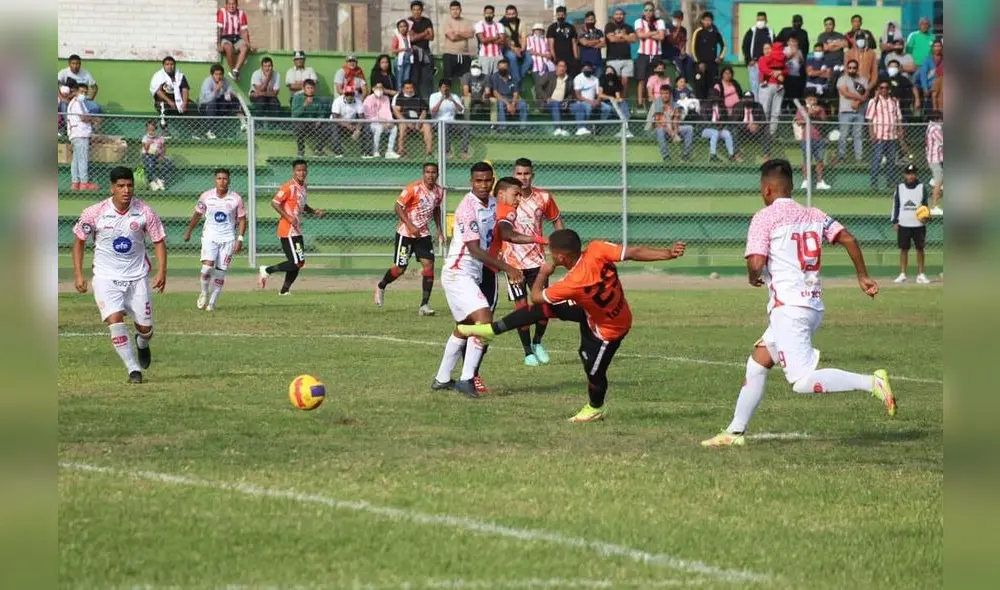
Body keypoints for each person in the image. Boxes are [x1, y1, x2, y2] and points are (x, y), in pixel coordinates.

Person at [701, 159, 896, 448]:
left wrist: (754, 275)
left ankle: (872, 382)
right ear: (790, 188)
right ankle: (734, 431)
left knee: (802, 381)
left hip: (789, 310)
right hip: (811, 305)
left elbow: (756, 261)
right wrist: (863, 276)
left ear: (766, 189)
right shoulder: (814, 214)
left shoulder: (764, 218)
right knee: (757, 362)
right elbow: (849, 239)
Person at [460, 229, 687, 422]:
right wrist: (667, 253)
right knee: (544, 311)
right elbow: (634, 252)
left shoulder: (572, 283)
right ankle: (492, 330)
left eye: (552, 253)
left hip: (608, 329)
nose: (550, 256)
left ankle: (596, 408)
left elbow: (537, 296)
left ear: (561, 257)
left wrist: (544, 272)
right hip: (591, 311)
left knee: (594, 372)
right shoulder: (598, 248)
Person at [432, 165, 539, 397]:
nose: (483, 185)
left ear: (492, 181)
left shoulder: (492, 204)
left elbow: (503, 234)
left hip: (472, 274)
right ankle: (467, 379)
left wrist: (539, 240)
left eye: (487, 181)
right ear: (471, 181)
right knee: (484, 319)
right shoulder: (466, 208)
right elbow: (473, 248)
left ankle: (441, 379)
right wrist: (508, 267)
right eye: (478, 181)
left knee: (464, 327)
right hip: (458, 272)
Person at [72, 167, 167, 384]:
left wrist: (162, 271)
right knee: (115, 320)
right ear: (112, 187)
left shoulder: (145, 211)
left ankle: (142, 343)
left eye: (130, 185)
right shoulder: (94, 213)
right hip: (106, 276)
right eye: (121, 186)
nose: (126, 190)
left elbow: (159, 241)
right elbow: (79, 241)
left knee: (145, 329)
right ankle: (133, 369)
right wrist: (79, 274)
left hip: (137, 277)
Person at [496, 158, 565, 366]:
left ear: (532, 175)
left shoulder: (543, 197)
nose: (523, 178)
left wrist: (562, 246)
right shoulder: (507, 199)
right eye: (519, 174)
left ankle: (538, 342)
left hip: (537, 260)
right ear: (514, 175)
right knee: (521, 307)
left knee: (544, 305)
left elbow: (556, 220)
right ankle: (527, 352)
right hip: (513, 261)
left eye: (526, 174)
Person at [375, 163, 445, 315]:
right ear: (423, 174)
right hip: (406, 233)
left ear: (437, 174)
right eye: (427, 172)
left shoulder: (439, 191)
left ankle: (424, 305)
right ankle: (381, 285)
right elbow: (397, 207)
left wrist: (439, 229)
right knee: (400, 268)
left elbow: (436, 209)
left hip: (423, 234)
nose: (430, 175)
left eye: (433, 172)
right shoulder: (413, 188)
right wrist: (411, 226)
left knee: (429, 265)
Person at [181, 169, 246, 311]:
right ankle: (204, 292)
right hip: (210, 236)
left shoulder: (236, 198)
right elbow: (197, 214)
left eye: (225, 179)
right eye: (219, 178)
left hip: (228, 239)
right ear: (215, 180)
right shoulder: (206, 196)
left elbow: (242, 219)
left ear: (229, 181)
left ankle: (212, 302)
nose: (222, 181)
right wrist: (189, 231)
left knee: (221, 272)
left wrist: (239, 239)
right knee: (207, 267)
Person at [258, 160, 325, 295]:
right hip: (287, 230)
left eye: (304, 170)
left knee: (298, 262)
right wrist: (288, 217)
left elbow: (301, 204)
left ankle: (284, 291)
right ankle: (266, 270)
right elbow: (275, 203)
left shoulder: (304, 186)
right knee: (296, 262)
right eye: (299, 170)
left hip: (296, 230)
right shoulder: (289, 187)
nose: (302, 173)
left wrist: (313, 211)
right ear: (293, 171)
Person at [891, 163, 931, 285]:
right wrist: (895, 221)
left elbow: (925, 205)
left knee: (920, 249)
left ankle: (921, 274)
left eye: (913, 173)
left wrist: (926, 217)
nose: (911, 176)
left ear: (916, 174)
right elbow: (896, 204)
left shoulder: (921, 187)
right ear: (904, 175)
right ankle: (903, 274)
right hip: (904, 223)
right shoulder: (900, 187)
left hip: (918, 225)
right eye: (908, 173)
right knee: (904, 249)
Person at [865, 79, 903, 189]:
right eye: (881, 88)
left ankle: (890, 182)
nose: (883, 90)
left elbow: (898, 117)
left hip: (892, 136)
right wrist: (871, 133)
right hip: (879, 136)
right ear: (878, 90)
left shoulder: (895, 101)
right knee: (876, 160)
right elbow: (869, 119)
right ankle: (873, 184)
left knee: (891, 161)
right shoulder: (874, 101)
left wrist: (900, 130)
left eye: (886, 88)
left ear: (889, 90)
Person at [836, 60, 869, 165]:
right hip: (845, 111)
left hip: (859, 112)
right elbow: (845, 93)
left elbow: (866, 95)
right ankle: (842, 157)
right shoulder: (842, 79)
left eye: (854, 68)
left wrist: (858, 102)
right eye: (850, 67)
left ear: (857, 68)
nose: (852, 69)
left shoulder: (863, 80)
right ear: (847, 68)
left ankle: (859, 159)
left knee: (858, 136)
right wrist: (860, 97)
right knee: (843, 135)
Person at [634, 2, 666, 112]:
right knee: (641, 79)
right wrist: (654, 32)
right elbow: (640, 35)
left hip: (656, 54)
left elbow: (661, 37)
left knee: (655, 79)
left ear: (653, 11)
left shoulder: (660, 21)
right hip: (643, 54)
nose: (648, 12)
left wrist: (647, 33)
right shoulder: (639, 21)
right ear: (643, 11)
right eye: (646, 10)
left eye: (650, 10)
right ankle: (640, 104)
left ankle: (655, 103)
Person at [796, 91, 831, 190]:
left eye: (814, 99)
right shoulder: (802, 109)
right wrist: (808, 116)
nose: (813, 101)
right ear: (806, 100)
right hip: (806, 139)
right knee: (806, 160)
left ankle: (820, 182)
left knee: (819, 160)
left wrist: (817, 113)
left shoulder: (820, 109)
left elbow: (824, 120)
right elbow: (798, 122)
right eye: (810, 99)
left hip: (819, 139)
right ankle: (805, 181)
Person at [690, 11, 726, 99]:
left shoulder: (716, 32)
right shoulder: (698, 32)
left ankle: (710, 108)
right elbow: (692, 47)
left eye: (709, 20)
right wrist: (699, 62)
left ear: (712, 21)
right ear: (702, 21)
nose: (707, 22)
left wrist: (720, 57)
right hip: (700, 65)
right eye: (705, 20)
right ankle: (700, 107)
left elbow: (724, 45)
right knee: (700, 87)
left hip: (712, 65)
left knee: (712, 87)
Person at [429, 78, 468, 157]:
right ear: (440, 88)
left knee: (465, 127)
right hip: (438, 123)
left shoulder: (454, 96)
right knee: (445, 126)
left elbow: (461, 110)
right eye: (443, 87)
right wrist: (441, 100)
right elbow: (433, 112)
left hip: (452, 122)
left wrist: (453, 101)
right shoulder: (434, 96)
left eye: (447, 87)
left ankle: (464, 151)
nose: (445, 89)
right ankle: (447, 151)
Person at [604, 9, 636, 102]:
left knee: (625, 82)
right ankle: (614, 101)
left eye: (621, 14)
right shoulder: (609, 26)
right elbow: (612, 39)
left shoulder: (629, 27)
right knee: (614, 82)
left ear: (624, 15)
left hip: (627, 59)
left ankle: (623, 101)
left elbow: (633, 39)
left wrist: (620, 36)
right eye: (617, 14)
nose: (619, 16)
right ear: (613, 16)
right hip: (613, 58)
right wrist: (626, 37)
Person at [741, 10, 775, 100]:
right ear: (756, 20)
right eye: (758, 20)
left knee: (766, 85)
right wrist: (748, 60)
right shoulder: (751, 31)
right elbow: (745, 46)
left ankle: (764, 106)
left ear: (766, 20)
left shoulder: (770, 31)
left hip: (767, 64)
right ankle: (756, 106)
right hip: (754, 63)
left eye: (762, 20)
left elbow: (774, 46)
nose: (760, 22)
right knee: (754, 85)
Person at [140, 120, 173, 191]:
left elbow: (164, 147)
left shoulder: (160, 138)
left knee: (168, 162)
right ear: (146, 130)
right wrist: (148, 144)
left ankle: (162, 179)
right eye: (149, 130)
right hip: (147, 155)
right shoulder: (145, 138)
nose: (151, 132)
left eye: (153, 130)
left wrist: (162, 155)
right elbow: (145, 149)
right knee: (151, 164)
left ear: (156, 129)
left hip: (158, 155)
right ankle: (152, 180)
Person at [547, 6, 579, 77]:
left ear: (565, 15)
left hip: (570, 59)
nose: (560, 17)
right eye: (559, 15)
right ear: (556, 15)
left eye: (562, 15)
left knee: (571, 79)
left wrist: (576, 58)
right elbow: (551, 45)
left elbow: (574, 43)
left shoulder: (571, 27)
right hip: (558, 58)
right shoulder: (552, 28)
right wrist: (555, 58)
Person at [926, 110, 943, 215]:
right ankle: (934, 207)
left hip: (937, 157)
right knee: (939, 181)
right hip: (934, 159)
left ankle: (934, 181)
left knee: (940, 179)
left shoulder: (931, 127)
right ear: (938, 120)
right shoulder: (934, 130)